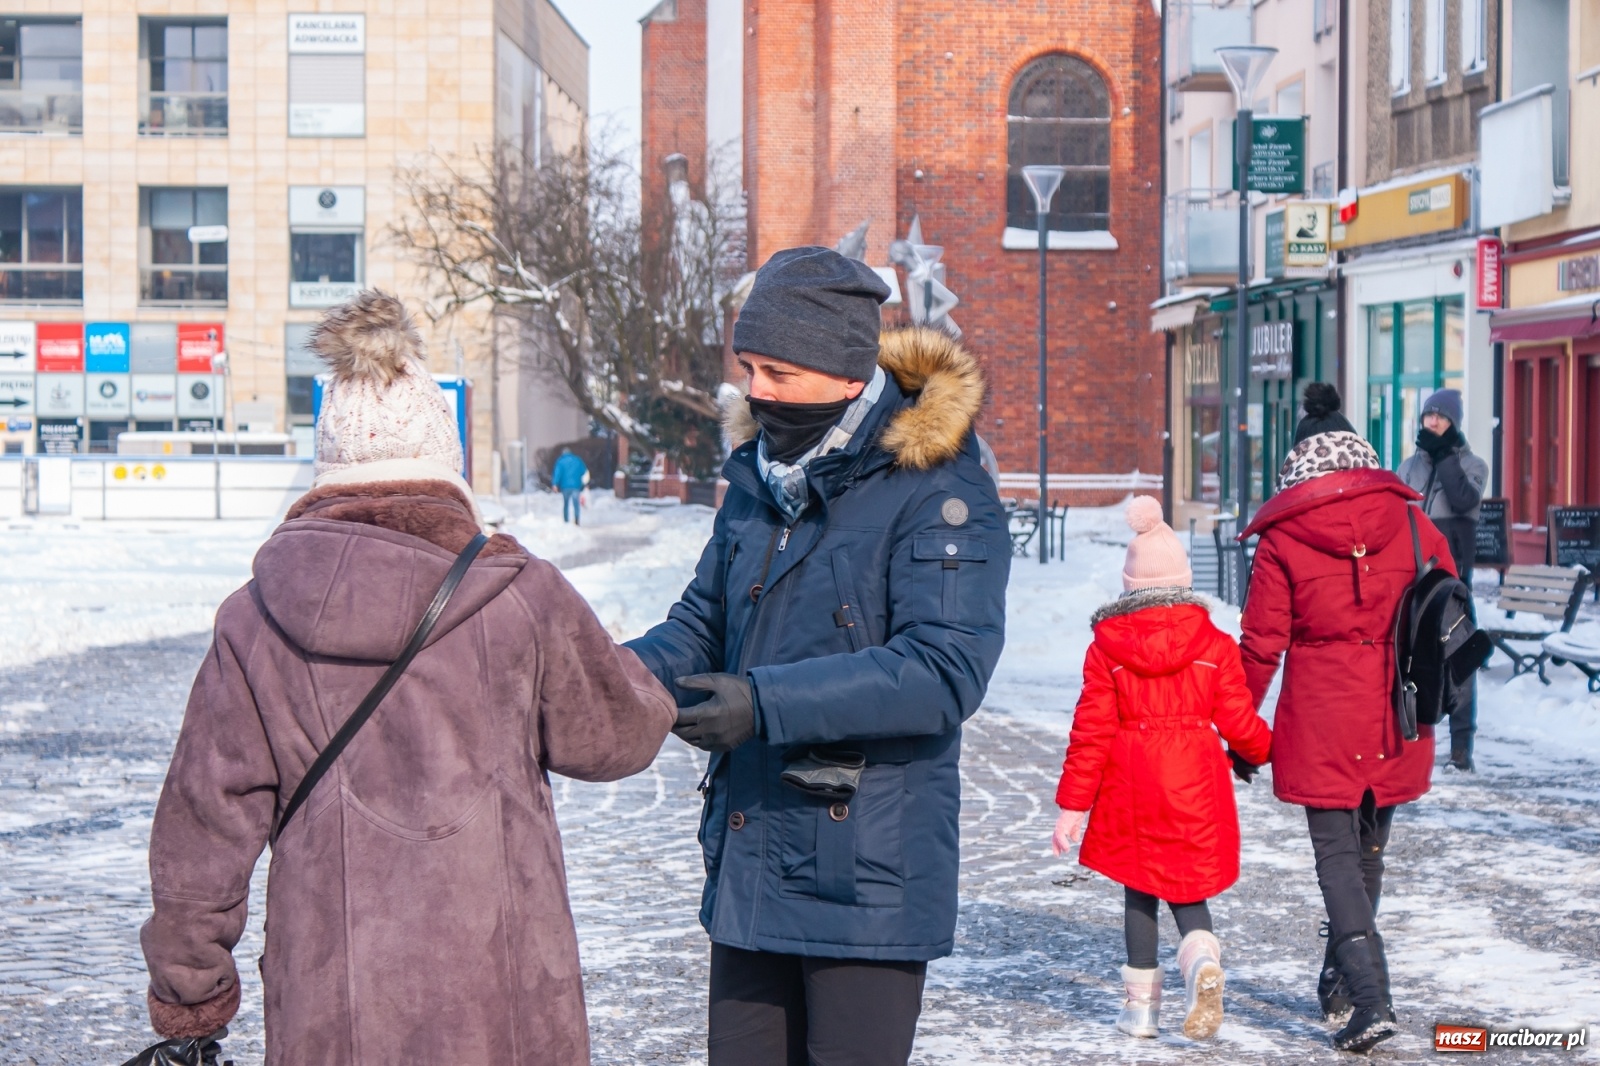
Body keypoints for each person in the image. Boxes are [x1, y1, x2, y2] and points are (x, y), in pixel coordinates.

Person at [137, 291, 676, 1064]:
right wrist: (657, 680)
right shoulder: (523, 597)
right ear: (442, 461)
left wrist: (192, 997)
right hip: (506, 1000)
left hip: (332, 1004)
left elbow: (203, 822)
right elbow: (614, 740)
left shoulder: (252, 619)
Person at [624, 246, 1010, 1066]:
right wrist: (602, 674)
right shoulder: (759, 481)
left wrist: (762, 704)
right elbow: (701, 623)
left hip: (863, 872)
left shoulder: (938, 485)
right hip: (753, 849)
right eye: (749, 369)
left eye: (779, 372)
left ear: (844, 372)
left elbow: (944, 669)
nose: (756, 391)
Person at [1238, 382, 1455, 1055]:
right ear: (1359, 453)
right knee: (1367, 852)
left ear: (1298, 461)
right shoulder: (1412, 521)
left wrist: (1238, 726)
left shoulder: (1284, 536)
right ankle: (1341, 977)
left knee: (1337, 856)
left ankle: (1370, 997)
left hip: (1323, 714)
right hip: (1397, 709)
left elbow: (1261, 644)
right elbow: (1447, 603)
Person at [1052, 496, 1272, 1042]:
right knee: (1188, 882)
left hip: (1131, 782)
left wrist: (1072, 807)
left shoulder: (1107, 648)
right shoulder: (1215, 645)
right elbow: (1240, 722)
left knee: (1139, 886)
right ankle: (1200, 961)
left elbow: (1091, 733)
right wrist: (1268, 750)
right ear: (1184, 581)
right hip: (1196, 779)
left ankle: (1141, 1011)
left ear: (1130, 585)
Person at [1396, 387, 1487, 771]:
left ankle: (1461, 747)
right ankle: (1407, 740)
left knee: (1460, 661)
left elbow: (1464, 499)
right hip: (1408, 577)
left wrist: (1445, 455)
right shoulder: (1408, 467)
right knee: (1405, 661)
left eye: (1441, 416)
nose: (1432, 421)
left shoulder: (1474, 465)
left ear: (1454, 422)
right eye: (1428, 415)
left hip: (1450, 579)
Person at [551, 446, 590, 525]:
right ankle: (577, 519)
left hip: (565, 486)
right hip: (576, 486)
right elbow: (584, 472)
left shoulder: (560, 461)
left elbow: (557, 473)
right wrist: (585, 484)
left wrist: (555, 484)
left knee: (566, 503)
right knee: (576, 503)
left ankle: (566, 520)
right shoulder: (577, 460)